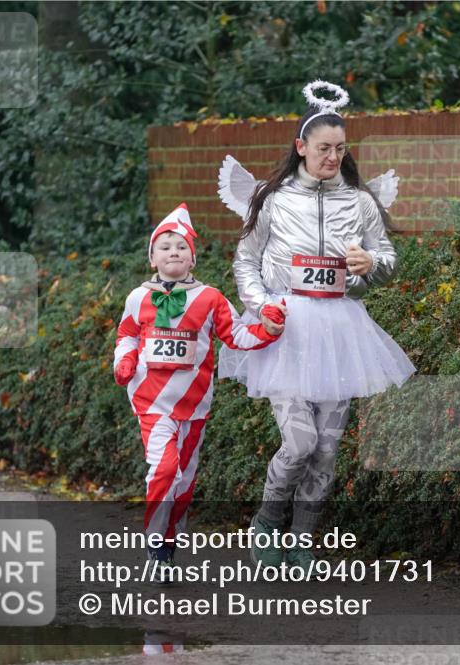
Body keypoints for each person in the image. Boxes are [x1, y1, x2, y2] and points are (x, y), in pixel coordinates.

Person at [217, 81, 415, 569]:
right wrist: (264, 306)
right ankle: (266, 522)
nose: (332, 157)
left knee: (326, 450)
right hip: (285, 332)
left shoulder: (362, 201)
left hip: (341, 332)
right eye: (323, 148)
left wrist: (370, 263)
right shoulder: (273, 199)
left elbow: (387, 260)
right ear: (300, 147)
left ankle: (302, 538)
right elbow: (245, 261)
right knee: (300, 441)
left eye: (340, 149)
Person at [113, 202, 285, 580]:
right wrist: (123, 361)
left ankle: (169, 546)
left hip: (194, 406)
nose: (173, 251)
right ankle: (155, 546)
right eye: (165, 246)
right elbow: (127, 334)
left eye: (181, 247)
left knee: (184, 482)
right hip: (151, 401)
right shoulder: (137, 296)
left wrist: (268, 330)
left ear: (192, 257)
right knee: (164, 469)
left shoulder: (210, 298)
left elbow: (236, 335)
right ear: (152, 257)